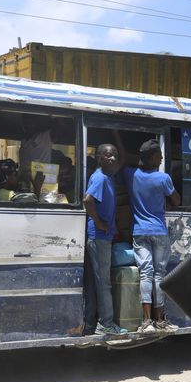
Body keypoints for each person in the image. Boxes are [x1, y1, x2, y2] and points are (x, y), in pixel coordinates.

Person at [121, 139, 180, 333]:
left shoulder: (131, 175)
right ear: (152, 158)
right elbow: (176, 200)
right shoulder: (163, 178)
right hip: (158, 231)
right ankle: (160, 319)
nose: (162, 158)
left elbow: (123, 159)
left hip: (139, 231)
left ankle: (146, 322)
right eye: (158, 156)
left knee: (145, 274)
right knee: (158, 274)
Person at [83, 144, 128, 336]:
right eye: (108, 155)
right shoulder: (100, 178)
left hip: (104, 237)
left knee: (98, 282)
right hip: (99, 237)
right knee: (104, 283)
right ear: (99, 158)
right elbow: (88, 200)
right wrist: (99, 222)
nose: (112, 159)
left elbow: (123, 160)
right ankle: (106, 324)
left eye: (114, 156)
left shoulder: (108, 175)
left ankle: (95, 323)